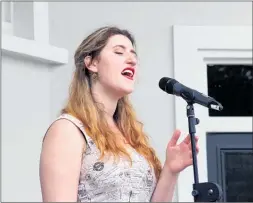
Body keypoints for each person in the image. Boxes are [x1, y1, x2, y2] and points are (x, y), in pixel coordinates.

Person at [39, 26, 199, 202]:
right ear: (92, 63)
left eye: (133, 54)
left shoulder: (131, 137)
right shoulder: (68, 130)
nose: (132, 60)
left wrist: (170, 170)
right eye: (119, 52)